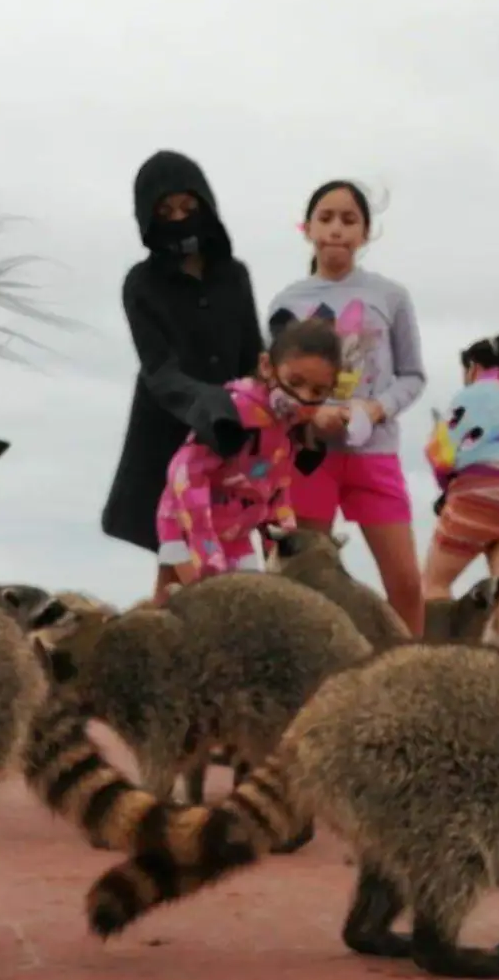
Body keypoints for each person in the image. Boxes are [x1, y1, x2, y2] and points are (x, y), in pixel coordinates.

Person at [101, 150, 267, 600]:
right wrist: (207, 405)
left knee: (227, 558)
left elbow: (253, 354)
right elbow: (159, 368)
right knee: (178, 563)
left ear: (206, 207)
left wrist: (262, 410)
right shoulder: (140, 283)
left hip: (233, 439)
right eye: (166, 212)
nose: (179, 220)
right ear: (148, 219)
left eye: (188, 209)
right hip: (167, 434)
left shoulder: (235, 276)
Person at [264, 180, 428, 635]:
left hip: (374, 454)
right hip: (310, 456)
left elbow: (413, 376)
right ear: (307, 227)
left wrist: (374, 410)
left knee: (405, 583)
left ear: (366, 233)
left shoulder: (391, 296)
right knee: (307, 584)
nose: (337, 228)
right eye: (327, 218)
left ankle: (413, 677)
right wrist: (308, 414)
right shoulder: (285, 302)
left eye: (349, 219)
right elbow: (271, 387)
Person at [158, 318, 341, 585]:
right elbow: (183, 473)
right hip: (187, 530)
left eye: (316, 391)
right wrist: (207, 555)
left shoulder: (287, 432)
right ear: (267, 366)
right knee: (214, 612)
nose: (302, 396)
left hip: (236, 538)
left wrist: (290, 544)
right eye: (295, 381)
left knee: (251, 608)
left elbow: (276, 493)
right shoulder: (233, 412)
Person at [420, 334, 499, 656]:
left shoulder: (473, 394)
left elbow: (443, 454)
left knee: (434, 583)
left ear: (473, 367)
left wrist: (443, 482)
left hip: (477, 495)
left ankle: (437, 660)